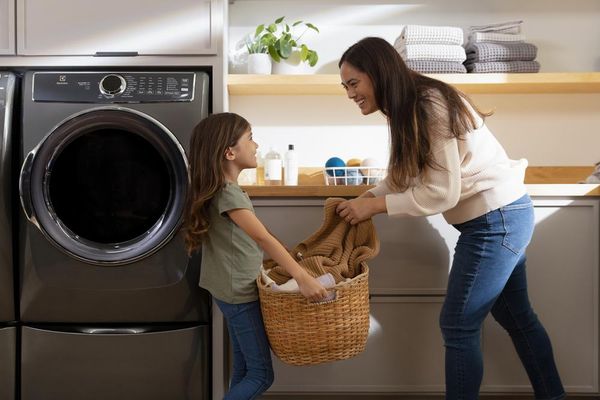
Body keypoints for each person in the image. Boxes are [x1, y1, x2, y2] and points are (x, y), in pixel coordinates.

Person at [336, 37, 565, 400]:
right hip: (501, 217)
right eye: (345, 86)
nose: (349, 93)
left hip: (496, 221)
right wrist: (367, 198)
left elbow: (442, 193)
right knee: (517, 319)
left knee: (458, 324)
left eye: (353, 83)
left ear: (377, 74)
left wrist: (376, 207)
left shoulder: (430, 105)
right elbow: (403, 175)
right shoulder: (409, 106)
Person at [183, 112, 329, 400]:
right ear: (230, 151)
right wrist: (302, 277)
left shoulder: (220, 190)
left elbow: (257, 234)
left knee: (245, 369)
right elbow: (260, 237)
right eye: (250, 138)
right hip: (240, 293)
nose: (257, 145)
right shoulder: (229, 193)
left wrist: (288, 252)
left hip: (227, 289)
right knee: (262, 375)